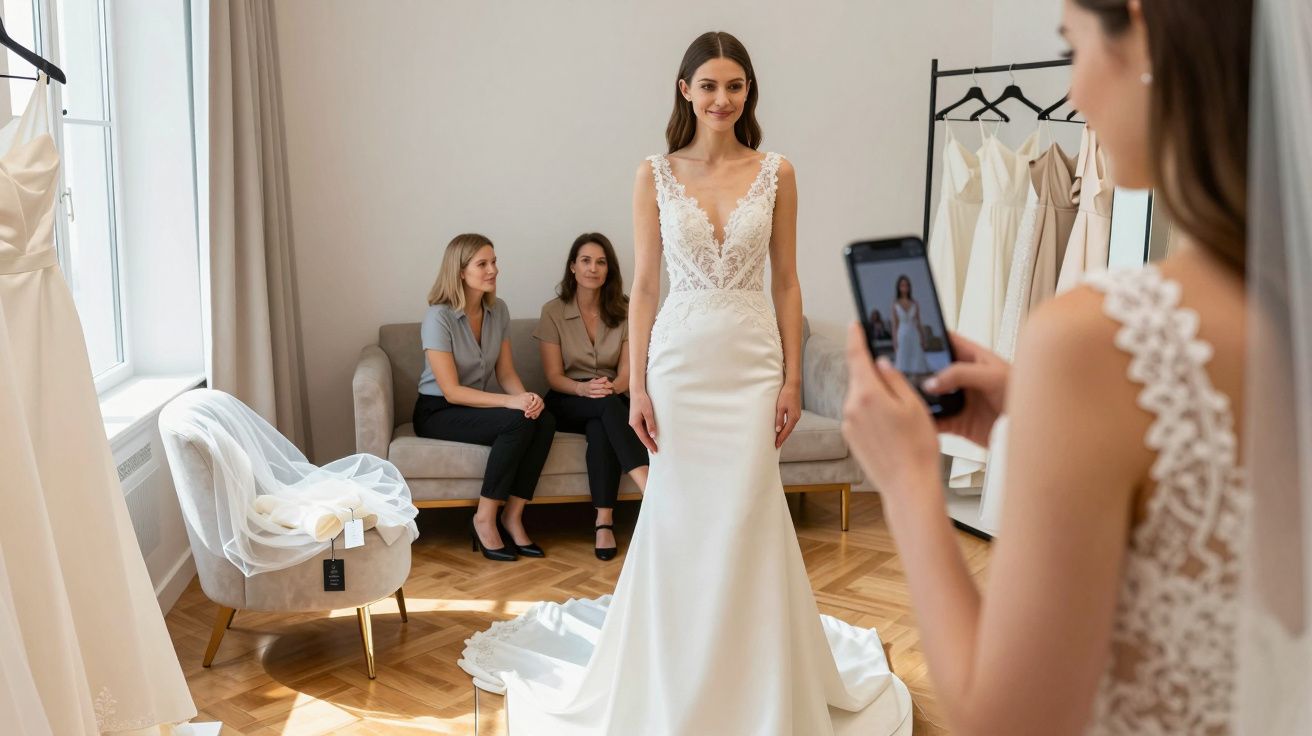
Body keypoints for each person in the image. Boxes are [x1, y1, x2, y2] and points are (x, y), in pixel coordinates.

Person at [456, 31, 910, 735]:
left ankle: (760, 684)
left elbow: (788, 283)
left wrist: (793, 379)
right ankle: (671, 680)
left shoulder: (778, 172)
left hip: (753, 363)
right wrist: (635, 386)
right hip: (678, 365)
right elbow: (642, 288)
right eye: (709, 86)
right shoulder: (655, 173)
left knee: (750, 511)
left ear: (748, 91)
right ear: (685, 92)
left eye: (734, 85)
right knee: (677, 516)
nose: (722, 99)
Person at [842, 0, 1253, 732]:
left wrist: (905, 479)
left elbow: (1004, 720)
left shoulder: (1098, 339)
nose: (1071, 94)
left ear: (1143, 34)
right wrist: (1038, 417)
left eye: (1072, 48)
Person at [412, 233, 556, 562]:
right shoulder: (439, 317)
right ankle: (484, 517)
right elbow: (451, 390)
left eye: (494, 262)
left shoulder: (498, 310)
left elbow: (505, 373)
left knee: (543, 419)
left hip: (472, 404)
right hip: (438, 410)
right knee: (516, 422)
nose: (493, 269)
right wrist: (511, 403)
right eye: (482, 264)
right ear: (460, 271)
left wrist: (527, 400)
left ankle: (513, 515)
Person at [536, 232, 650, 560]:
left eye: (601, 262)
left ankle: (604, 522)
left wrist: (610, 388)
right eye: (585, 261)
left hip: (612, 396)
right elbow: (554, 377)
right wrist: (584, 388)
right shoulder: (552, 312)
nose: (593, 268)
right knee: (605, 409)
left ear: (609, 270)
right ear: (573, 267)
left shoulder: (627, 310)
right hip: (568, 398)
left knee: (603, 425)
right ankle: (651, 490)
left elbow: (629, 372)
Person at [890, 275, 931, 375]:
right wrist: (894, 340)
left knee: (917, 358)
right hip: (902, 334)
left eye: (906, 285)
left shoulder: (914, 303)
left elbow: (918, 322)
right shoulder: (895, 304)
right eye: (902, 285)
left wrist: (923, 338)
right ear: (898, 287)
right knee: (902, 359)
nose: (904, 288)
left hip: (914, 333)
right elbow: (895, 325)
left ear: (909, 287)